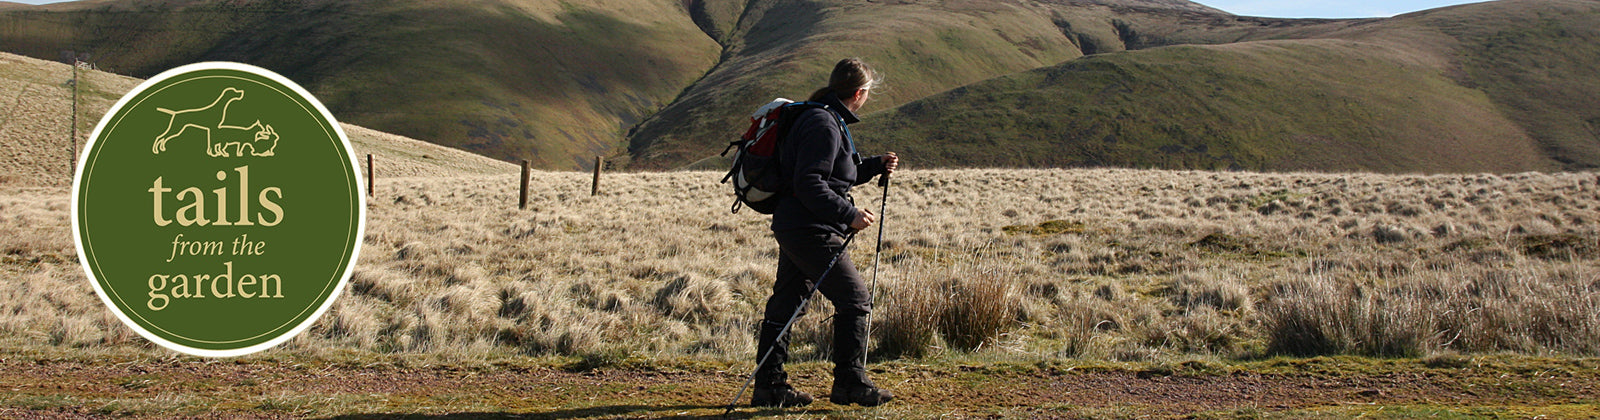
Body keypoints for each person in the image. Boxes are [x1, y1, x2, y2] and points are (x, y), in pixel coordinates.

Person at [752, 57, 899, 408]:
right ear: (860, 93)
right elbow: (809, 182)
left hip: (795, 225)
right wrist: (849, 214)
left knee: (787, 304)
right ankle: (850, 383)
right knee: (856, 299)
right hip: (810, 228)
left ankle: (769, 387)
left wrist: (875, 165)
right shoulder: (824, 123)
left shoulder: (819, 116)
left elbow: (831, 175)